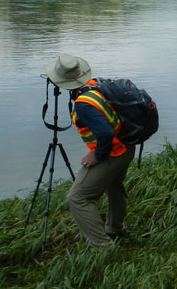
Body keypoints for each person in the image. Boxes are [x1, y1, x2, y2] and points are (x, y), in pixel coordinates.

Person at [45, 53, 135, 250]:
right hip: (127, 146)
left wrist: (97, 155)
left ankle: (103, 247)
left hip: (113, 151)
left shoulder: (84, 104)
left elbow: (104, 134)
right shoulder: (97, 85)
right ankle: (114, 228)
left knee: (78, 198)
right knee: (114, 185)